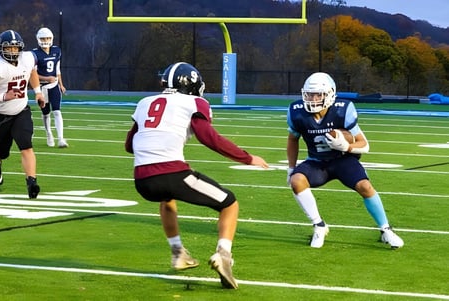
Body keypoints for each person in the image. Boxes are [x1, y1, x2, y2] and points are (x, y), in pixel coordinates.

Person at [125, 62, 269, 289]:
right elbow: (208, 137)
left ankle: (178, 252)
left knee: (166, 198)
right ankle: (224, 255)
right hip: (172, 172)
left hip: (142, 179)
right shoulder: (194, 102)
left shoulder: (145, 103)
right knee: (229, 203)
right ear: (193, 84)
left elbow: (129, 145)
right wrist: (247, 157)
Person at [286, 72, 404, 249]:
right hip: (317, 162)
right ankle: (319, 226)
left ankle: (386, 229)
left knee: (365, 186)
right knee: (296, 180)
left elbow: (364, 144)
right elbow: (292, 139)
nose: (313, 99)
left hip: (342, 160)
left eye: (318, 94)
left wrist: (346, 147)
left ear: (330, 94)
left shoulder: (343, 109)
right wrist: (291, 168)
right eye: (310, 94)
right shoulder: (297, 111)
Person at [0, 30, 46, 198]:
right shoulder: (0, 67)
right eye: (9, 48)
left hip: (21, 111)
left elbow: (32, 71)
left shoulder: (27, 58)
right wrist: (4, 96)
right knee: (1, 152)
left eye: (15, 48)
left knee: (26, 146)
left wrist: (38, 92)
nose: (12, 51)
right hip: (1, 114)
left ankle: (32, 182)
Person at [32, 27, 68, 148]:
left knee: (57, 111)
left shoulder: (56, 50)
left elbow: (57, 69)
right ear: (38, 39)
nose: (45, 40)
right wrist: (47, 79)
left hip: (54, 86)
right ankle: (48, 133)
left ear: (51, 38)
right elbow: (33, 75)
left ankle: (61, 139)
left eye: (47, 38)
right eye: (43, 38)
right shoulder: (34, 54)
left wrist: (61, 84)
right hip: (42, 88)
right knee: (46, 113)